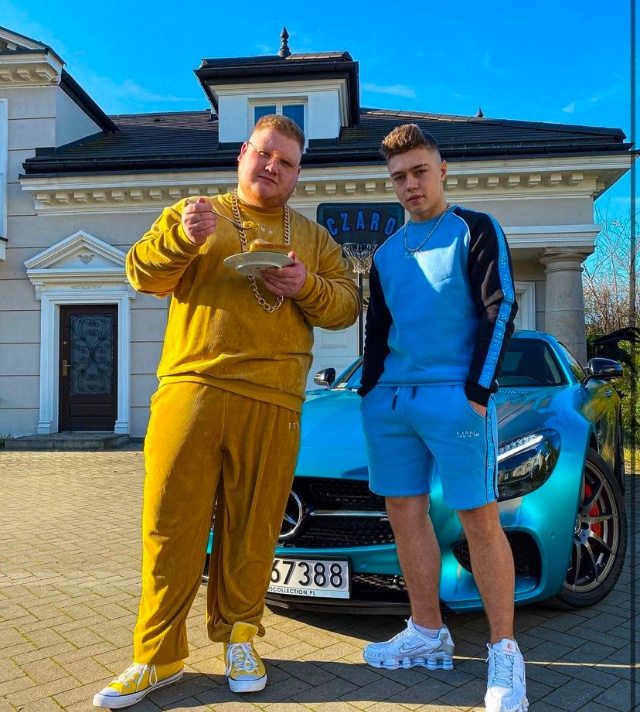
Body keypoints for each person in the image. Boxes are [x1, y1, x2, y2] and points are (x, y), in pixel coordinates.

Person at [93, 114, 360, 709]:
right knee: (170, 523)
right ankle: (157, 654)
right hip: (192, 386)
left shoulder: (313, 238)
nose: (272, 167)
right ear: (243, 153)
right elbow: (141, 273)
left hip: (275, 398)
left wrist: (306, 286)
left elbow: (347, 305)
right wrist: (182, 241)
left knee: (255, 526)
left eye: (286, 162)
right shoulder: (196, 213)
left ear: (298, 173)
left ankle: (240, 637)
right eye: (264, 154)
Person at [358, 124, 527, 712]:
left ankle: (505, 653)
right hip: (392, 404)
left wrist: (477, 390)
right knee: (405, 517)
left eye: (419, 171)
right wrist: (369, 392)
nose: (410, 184)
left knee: (479, 519)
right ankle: (427, 633)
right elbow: (378, 331)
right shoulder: (384, 253)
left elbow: (500, 306)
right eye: (399, 177)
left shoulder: (474, 229)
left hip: (456, 398)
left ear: (442, 170)